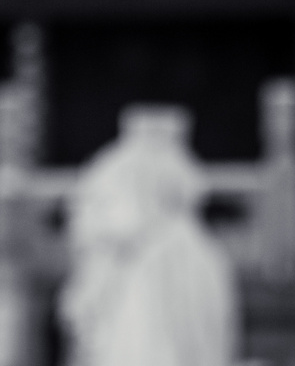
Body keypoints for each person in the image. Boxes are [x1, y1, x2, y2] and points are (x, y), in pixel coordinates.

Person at [59, 105, 238, 366]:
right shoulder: (115, 172)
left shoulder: (191, 247)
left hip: (155, 279)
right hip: (133, 286)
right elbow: (95, 226)